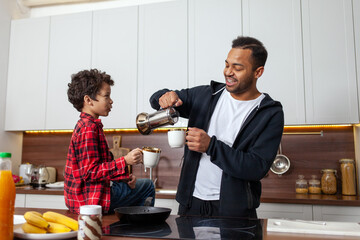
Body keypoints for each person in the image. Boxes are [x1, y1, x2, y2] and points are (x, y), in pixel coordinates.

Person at [149, 36, 284, 218]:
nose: (228, 72)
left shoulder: (269, 112)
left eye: (237, 68)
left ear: (258, 72)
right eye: (227, 65)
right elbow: (157, 98)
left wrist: (211, 146)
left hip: (233, 211)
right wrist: (164, 96)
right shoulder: (206, 95)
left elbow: (256, 167)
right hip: (190, 205)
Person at [65, 69, 155, 214]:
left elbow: (100, 166)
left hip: (84, 199)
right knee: (148, 185)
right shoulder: (89, 129)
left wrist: (124, 177)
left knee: (138, 187)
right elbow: (90, 172)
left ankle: (128, 226)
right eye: (106, 96)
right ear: (88, 100)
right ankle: (139, 229)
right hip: (90, 201)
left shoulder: (89, 125)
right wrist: (125, 160)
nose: (111, 101)